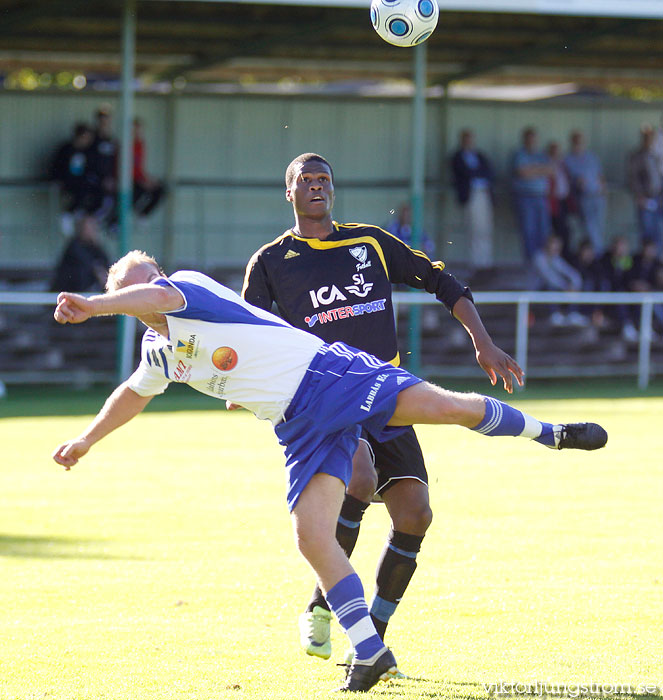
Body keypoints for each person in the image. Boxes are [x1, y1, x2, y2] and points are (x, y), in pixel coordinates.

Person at [52, 250, 607, 693]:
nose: (146, 288)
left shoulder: (185, 289)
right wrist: (85, 440)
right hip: (296, 424)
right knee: (311, 536)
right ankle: (370, 651)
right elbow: (131, 394)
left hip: (326, 375)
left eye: (145, 279)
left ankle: (552, 434)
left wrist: (96, 304)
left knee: (446, 409)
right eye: (133, 285)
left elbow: (158, 293)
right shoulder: (159, 352)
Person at [242, 152, 522, 672]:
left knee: (416, 515)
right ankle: (324, 604)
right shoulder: (270, 262)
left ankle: (369, 641)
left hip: (389, 398)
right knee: (361, 478)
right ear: (290, 193)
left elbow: (442, 281)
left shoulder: (368, 242)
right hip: (327, 402)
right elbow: (250, 332)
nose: (317, 187)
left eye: (325, 179)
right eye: (306, 181)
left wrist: (482, 343)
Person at [451, 129, 495, 269]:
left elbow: (488, 172)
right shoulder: (457, 157)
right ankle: (476, 263)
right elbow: (464, 174)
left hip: (484, 193)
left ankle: (486, 262)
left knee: (485, 229)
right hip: (471, 194)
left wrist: (476, 174)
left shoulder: (480, 156)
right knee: (474, 229)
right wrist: (475, 174)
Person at [511, 127, 553, 260]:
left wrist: (532, 170)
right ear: (524, 140)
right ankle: (531, 262)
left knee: (544, 231)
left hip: (541, 197)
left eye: (533, 139)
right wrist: (539, 170)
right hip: (525, 197)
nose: (531, 142)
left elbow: (551, 170)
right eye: (528, 139)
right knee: (529, 231)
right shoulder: (519, 154)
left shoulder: (541, 155)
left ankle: (544, 262)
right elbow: (522, 173)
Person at [563, 130, 606, 255]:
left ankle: (597, 254)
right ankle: (597, 255)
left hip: (598, 197)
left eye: (581, 141)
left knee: (599, 228)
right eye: (576, 141)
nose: (579, 144)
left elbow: (600, 175)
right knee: (589, 228)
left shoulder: (592, 157)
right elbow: (572, 180)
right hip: (584, 197)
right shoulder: (568, 159)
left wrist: (603, 188)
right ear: (572, 142)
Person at [49, 122, 96, 234]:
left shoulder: (87, 152)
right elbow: (56, 167)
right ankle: (68, 214)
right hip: (68, 182)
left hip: (81, 182)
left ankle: (83, 216)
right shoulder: (66, 149)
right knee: (80, 190)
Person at [532, 234, 586, 327]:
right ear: (547, 245)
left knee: (572, 286)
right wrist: (566, 287)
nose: (556, 249)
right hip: (535, 291)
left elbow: (572, 274)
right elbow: (549, 278)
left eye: (558, 247)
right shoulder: (539, 258)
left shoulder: (556, 259)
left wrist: (575, 284)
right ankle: (554, 314)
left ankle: (573, 313)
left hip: (556, 288)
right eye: (554, 246)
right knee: (551, 286)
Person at [50, 216, 110, 293]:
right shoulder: (73, 246)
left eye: (94, 228)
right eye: (89, 228)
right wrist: (98, 271)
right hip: (67, 291)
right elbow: (87, 263)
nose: (93, 231)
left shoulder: (95, 247)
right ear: (81, 229)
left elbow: (105, 261)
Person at [628, 125, 663, 252]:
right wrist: (639, 195)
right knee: (647, 232)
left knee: (660, 232)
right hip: (646, 199)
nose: (649, 140)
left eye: (651, 137)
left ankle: (659, 264)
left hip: (659, 198)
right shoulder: (637, 156)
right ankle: (647, 261)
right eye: (647, 137)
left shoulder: (658, 155)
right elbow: (633, 178)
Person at [87, 105, 119, 224]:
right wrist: (102, 178)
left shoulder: (111, 139)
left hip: (110, 179)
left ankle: (112, 223)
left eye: (107, 120)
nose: (104, 123)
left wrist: (112, 178)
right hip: (95, 179)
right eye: (102, 120)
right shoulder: (92, 139)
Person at [132, 117, 166, 218]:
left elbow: (139, 167)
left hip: (138, 178)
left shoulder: (141, 145)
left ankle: (143, 214)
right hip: (129, 180)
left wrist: (148, 179)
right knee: (137, 192)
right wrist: (142, 181)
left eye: (139, 130)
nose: (137, 132)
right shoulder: (125, 145)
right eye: (135, 129)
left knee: (160, 188)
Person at [546, 141, 572, 261]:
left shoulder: (563, 164)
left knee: (565, 232)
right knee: (555, 231)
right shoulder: (546, 164)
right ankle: (553, 257)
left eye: (558, 151)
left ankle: (564, 257)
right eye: (553, 150)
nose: (556, 153)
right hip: (551, 203)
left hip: (563, 201)